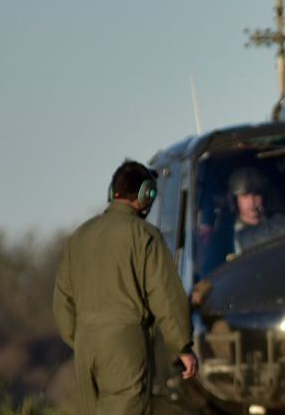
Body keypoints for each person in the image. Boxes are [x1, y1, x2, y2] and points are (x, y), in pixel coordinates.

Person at [54, 160, 198, 415]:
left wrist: (81, 340)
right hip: (124, 345)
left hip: (85, 346)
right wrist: (182, 347)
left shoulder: (79, 236)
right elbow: (165, 295)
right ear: (146, 194)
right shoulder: (144, 235)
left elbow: (62, 301)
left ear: (113, 193)